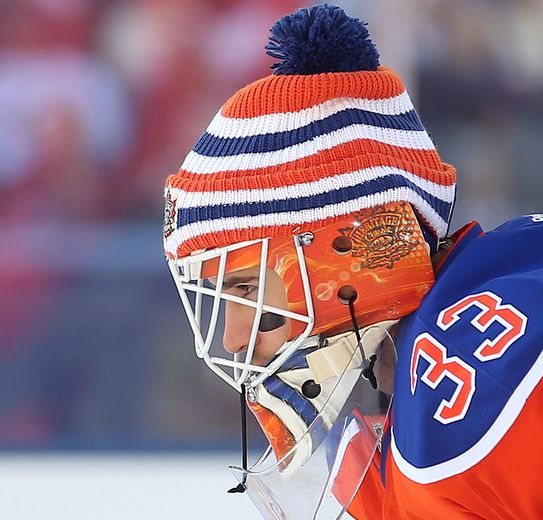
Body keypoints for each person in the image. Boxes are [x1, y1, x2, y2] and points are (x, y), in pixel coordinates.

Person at [163, 4, 543, 519]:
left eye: (246, 287)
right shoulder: (519, 251)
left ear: (347, 256)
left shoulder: (452, 436)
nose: (232, 338)